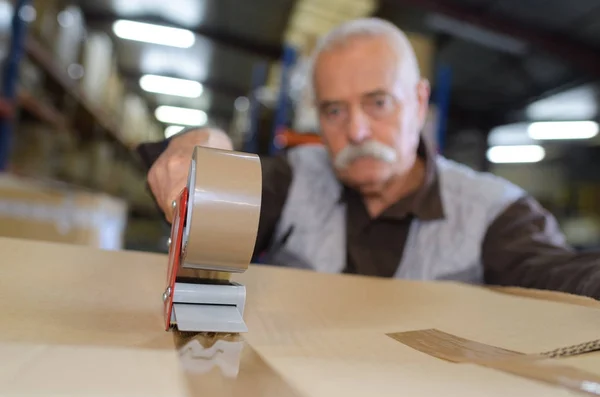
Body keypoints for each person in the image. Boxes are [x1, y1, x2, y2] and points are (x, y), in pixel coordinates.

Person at [137, 18, 600, 299]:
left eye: (378, 102)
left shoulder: (495, 211)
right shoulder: (294, 178)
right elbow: (202, 197)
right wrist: (203, 145)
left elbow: (558, 276)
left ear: (419, 103)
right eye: (334, 110)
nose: (355, 130)